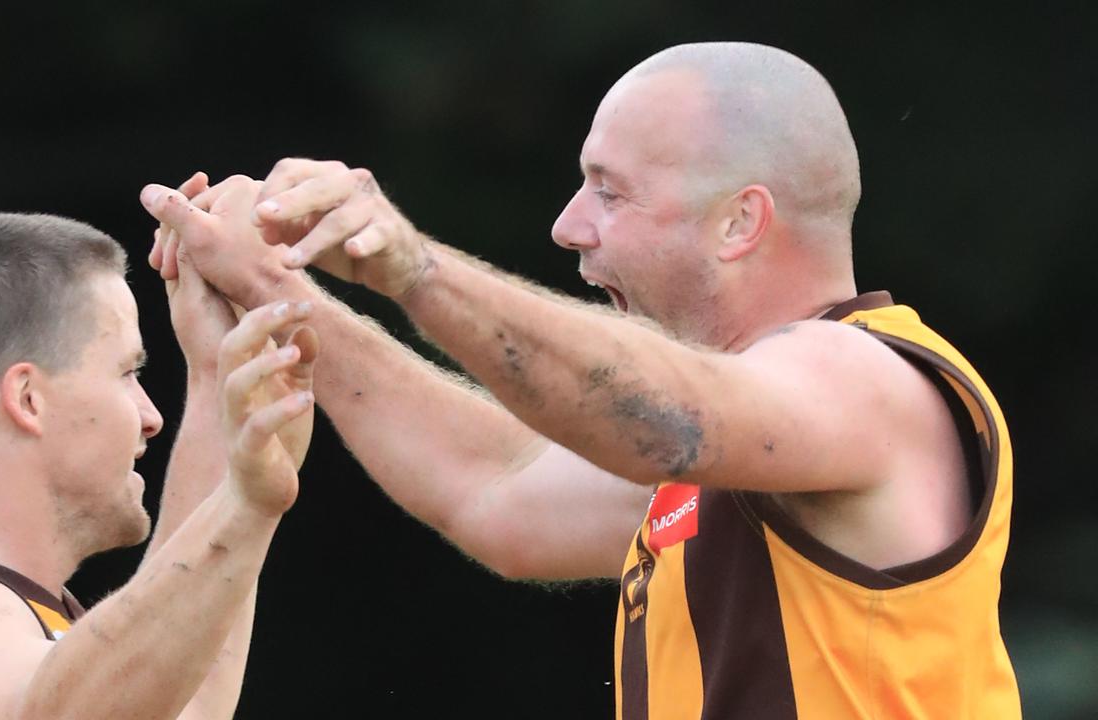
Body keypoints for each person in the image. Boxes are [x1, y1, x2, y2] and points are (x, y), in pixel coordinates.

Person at [143, 42, 1020, 718]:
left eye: (609, 191)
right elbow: (495, 491)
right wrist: (277, 293)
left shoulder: (863, 376)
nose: (568, 226)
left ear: (740, 221)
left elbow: (665, 417)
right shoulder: (746, 449)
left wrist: (412, 267)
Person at [0, 186, 319, 720]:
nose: (152, 417)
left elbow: (184, 707)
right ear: (28, 399)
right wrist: (242, 507)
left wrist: (223, 389)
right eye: (128, 372)